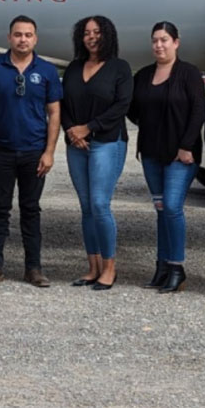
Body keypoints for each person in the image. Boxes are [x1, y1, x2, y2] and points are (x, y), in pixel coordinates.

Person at [0, 15, 62, 288]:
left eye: (28, 35)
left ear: (35, 38)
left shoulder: (46, 70)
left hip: (34, 152)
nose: (22, 39)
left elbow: (55, 112)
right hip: (1, 151)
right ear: (9, 37)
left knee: (31, 210)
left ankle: (33, 269)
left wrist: (49, 152)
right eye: (18, 34)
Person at [128, 21, 205, 293]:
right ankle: (161, 266)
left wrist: (186, 145)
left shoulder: (189, 73)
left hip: (180, 155)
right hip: (151, 153)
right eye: (155, 41)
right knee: (161, 210)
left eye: (164, 40)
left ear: (176, 42)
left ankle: (177, 266)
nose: (159, 45)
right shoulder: (144, 75)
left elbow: (198, 112)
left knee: (172, 207)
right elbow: (133, 109)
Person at [61, 15, 132, 290]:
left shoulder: (119, 68)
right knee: (87, 207)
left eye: (97, 32)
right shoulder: (74, 67)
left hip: (107, 142)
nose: (91, 37)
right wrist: (71, 130)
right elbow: (63, 103)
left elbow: (121, 105)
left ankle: (109, 268)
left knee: (100, 204)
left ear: (107, 35)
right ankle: (92, 267)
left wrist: (88, 128)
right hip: (76, 145)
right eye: (86, 33)